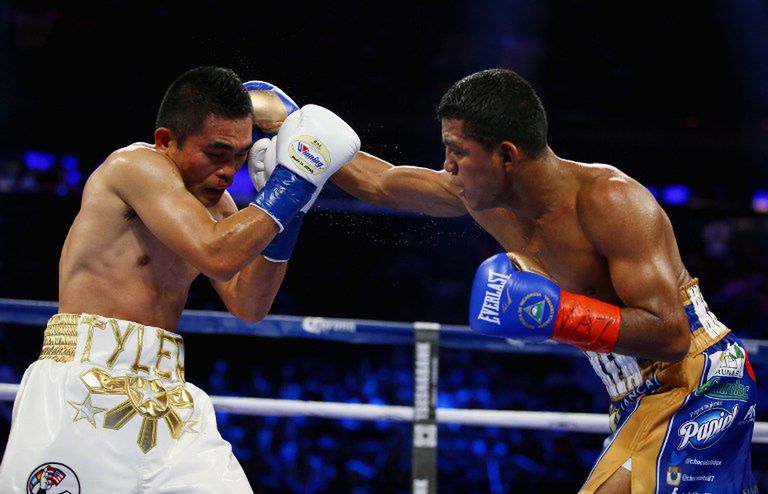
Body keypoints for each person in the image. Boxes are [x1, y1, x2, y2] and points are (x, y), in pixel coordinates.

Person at [320, 68, 757, 493]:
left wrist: (557, 315)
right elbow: (381, 183)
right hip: (631, 394)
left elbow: (670, 333)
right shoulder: (481, 196)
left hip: (698, 382)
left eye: (458, 151)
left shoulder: (611, 201)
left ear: (507, 155)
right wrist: (299, 133)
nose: (447, 166)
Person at [0, 66, 360, 493]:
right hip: (84, 382)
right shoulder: (134, 166)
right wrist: (291, 183)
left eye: (240, 156)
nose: (229, 171)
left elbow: (249, 305)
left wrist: (291, 213)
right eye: (215, 153)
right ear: (166, 141)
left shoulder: (217, 206)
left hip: (168, 396)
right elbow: (217, 253)